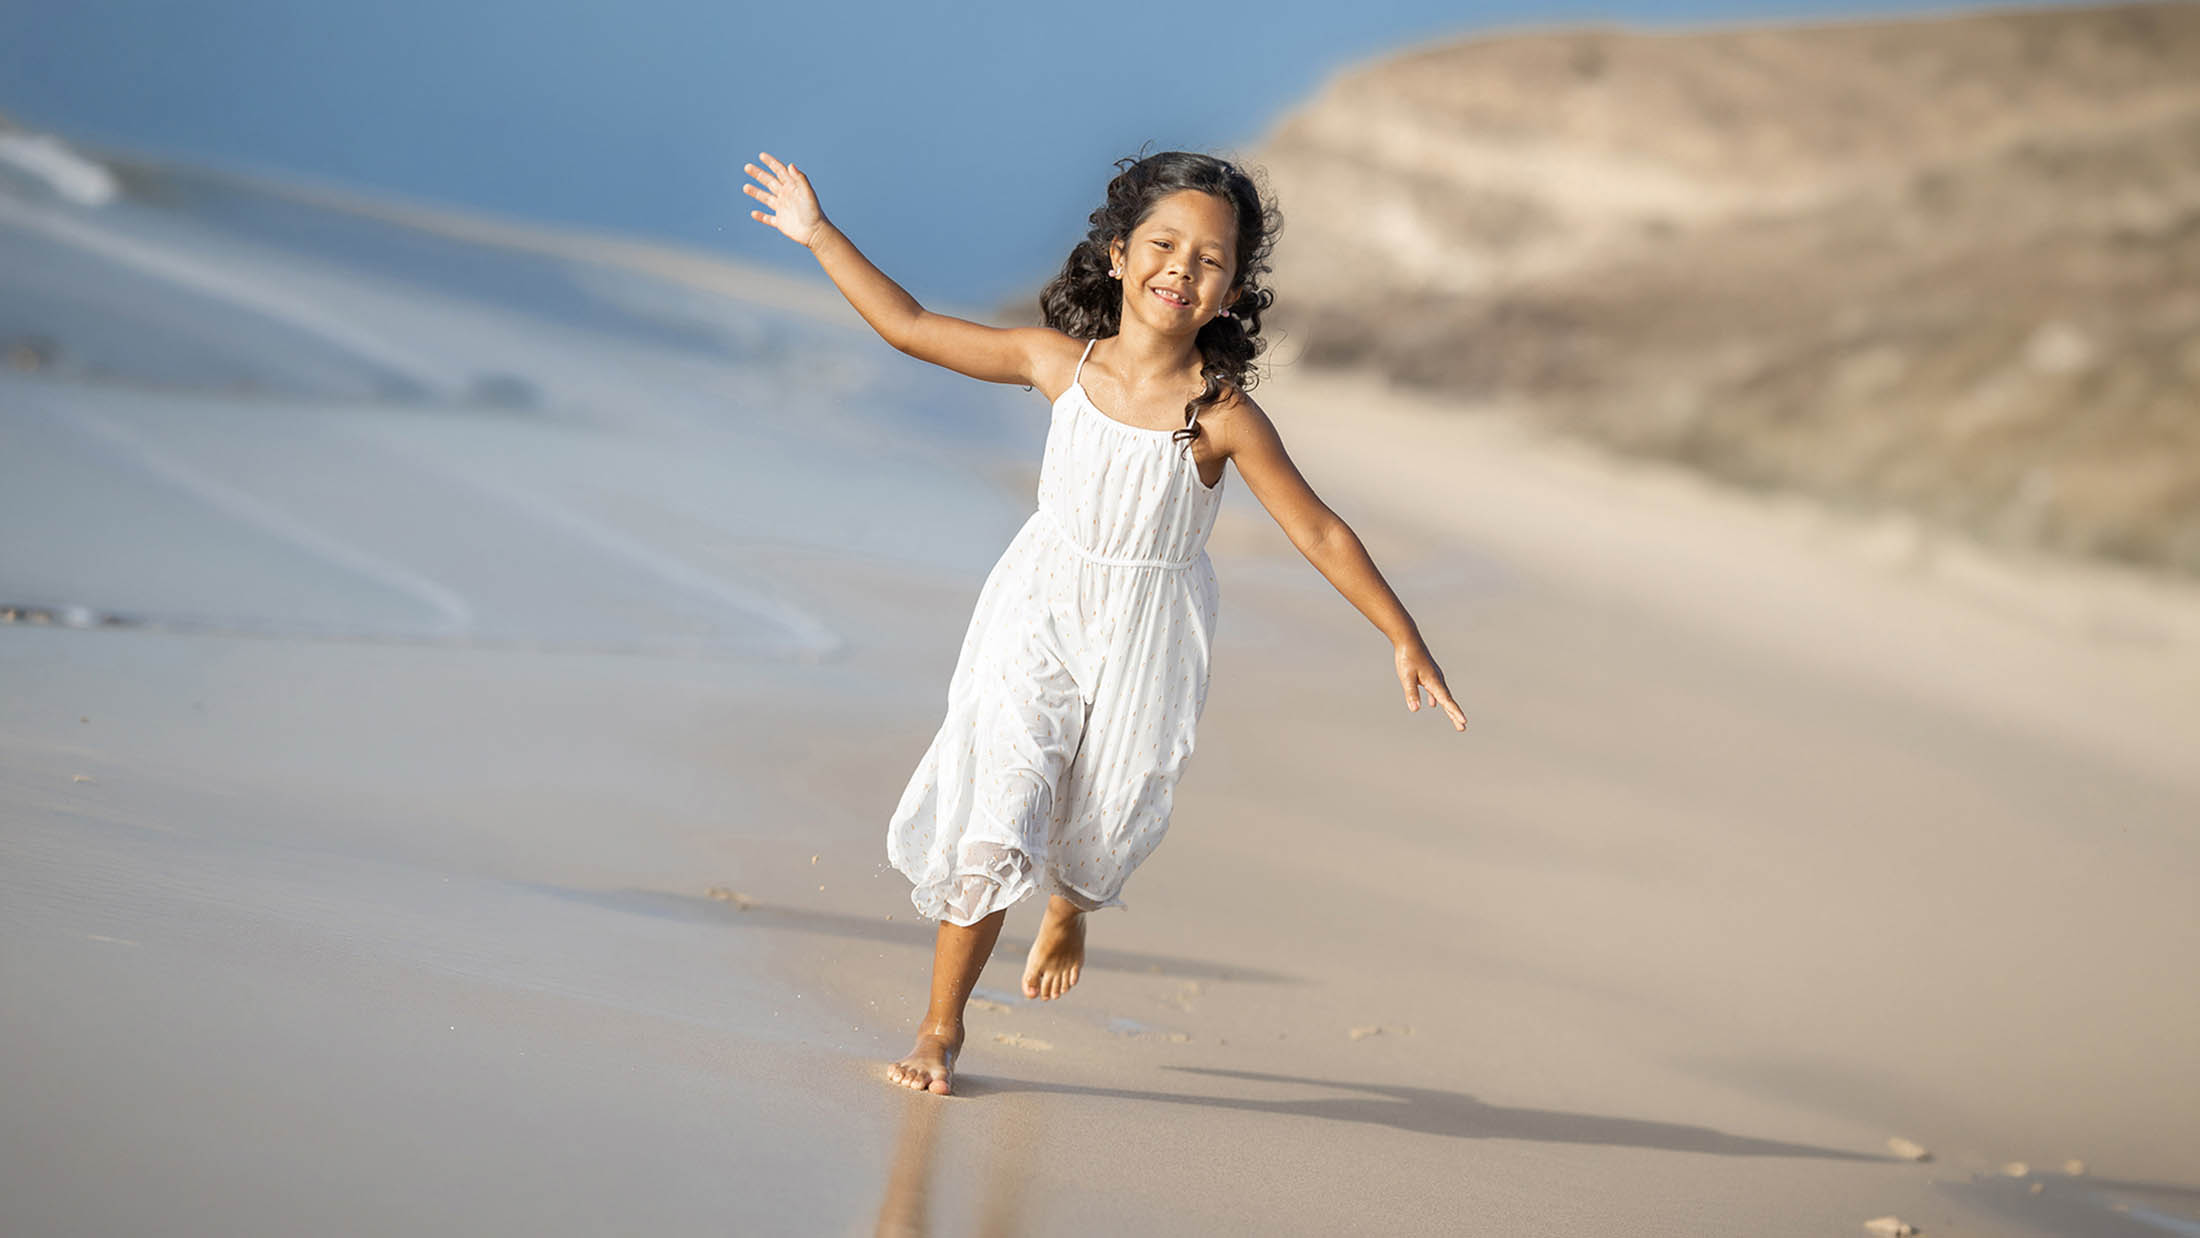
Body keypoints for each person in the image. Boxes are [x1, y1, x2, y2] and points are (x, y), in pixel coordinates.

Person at [743, 148, 1467, 1096]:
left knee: (1100, 824)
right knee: (1002, 815)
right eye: (1163, 245)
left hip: (1146, 640)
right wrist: (817, 233)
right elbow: (911, 328)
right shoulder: (1058, 364)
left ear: (1231, 290)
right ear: (1120, 255)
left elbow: (1320, 531)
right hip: (1037, 616)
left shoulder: (1221, 416)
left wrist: (1403, 636)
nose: (1182, 268)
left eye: (1210, 259)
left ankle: (1069, 907)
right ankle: (940, 1028)